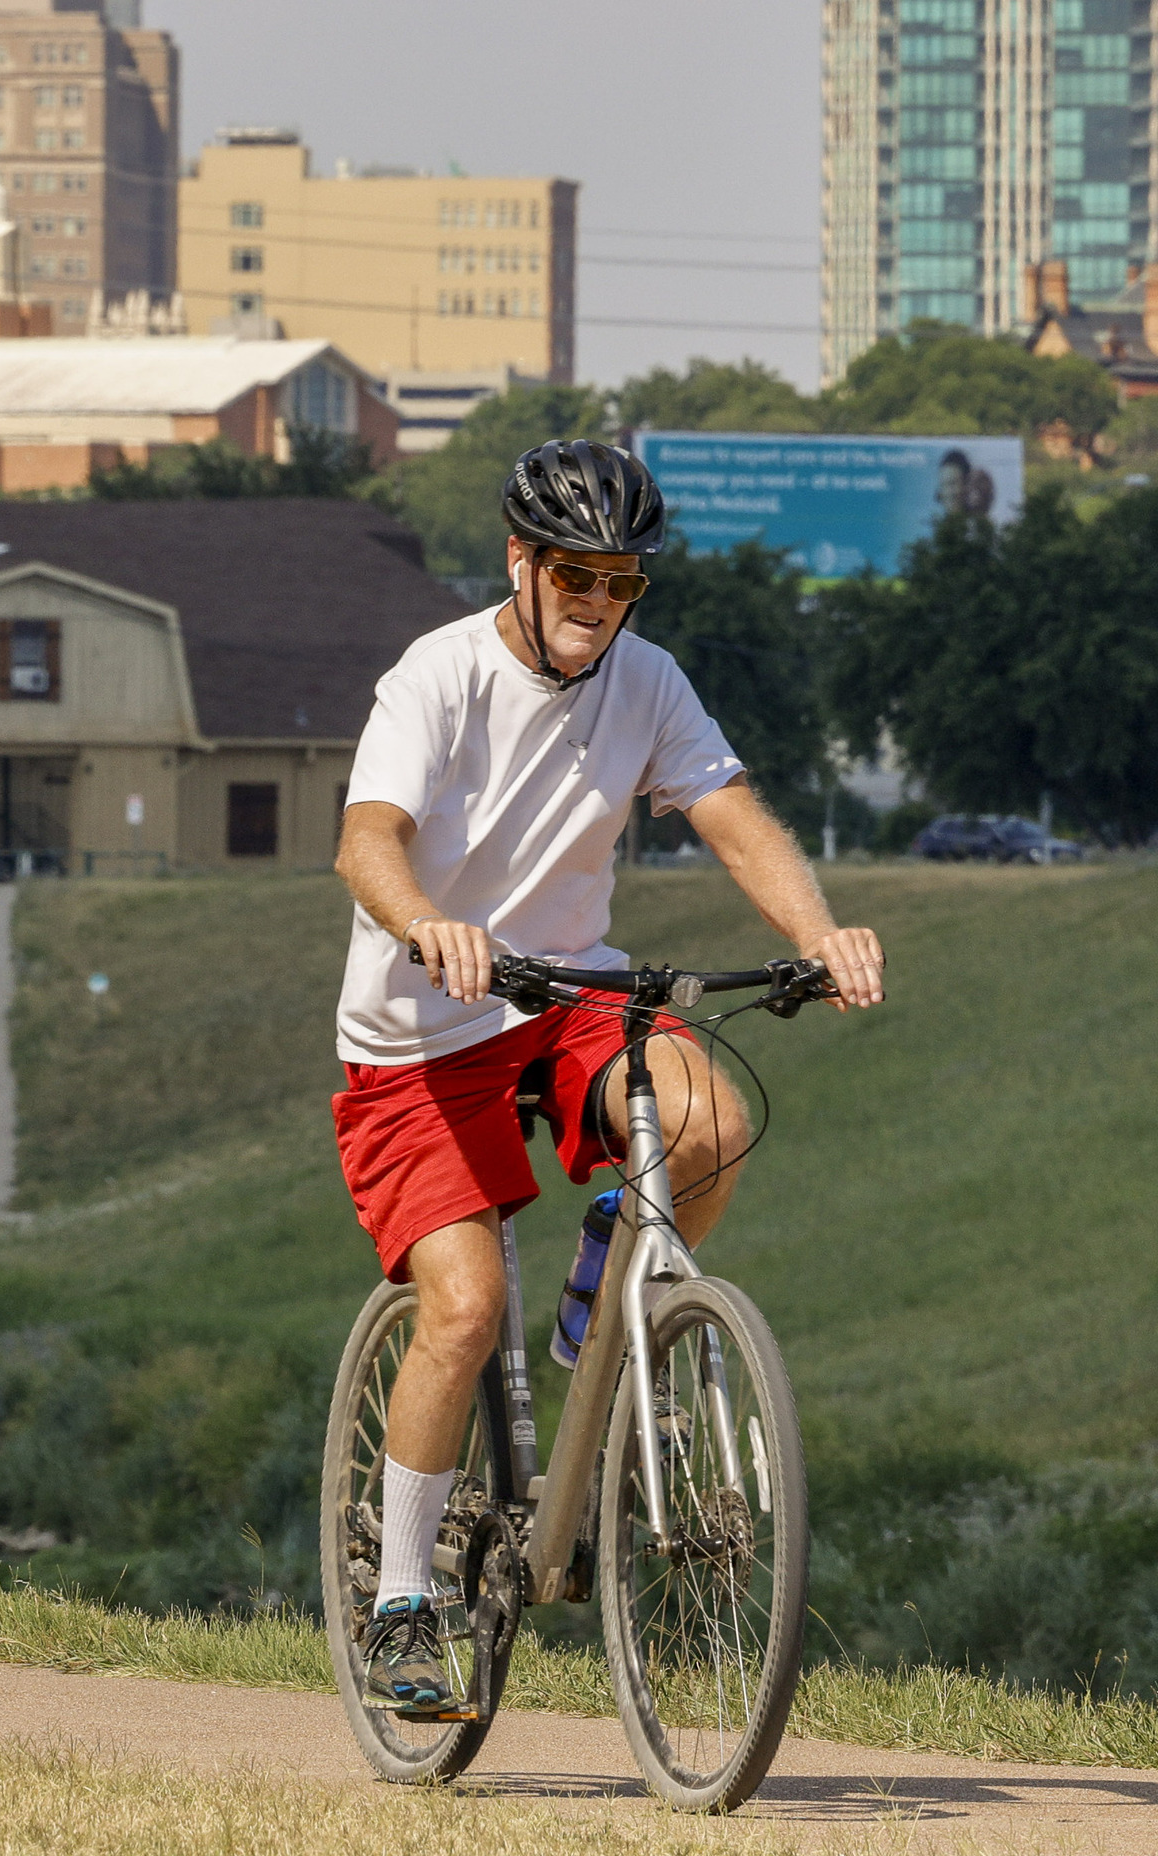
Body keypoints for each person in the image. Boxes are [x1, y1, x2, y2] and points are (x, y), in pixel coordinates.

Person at [327, 437, 884, 1719]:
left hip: (570, 993)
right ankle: (404, 1596)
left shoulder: (647, 678)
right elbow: (368, 837)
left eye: (622, 580)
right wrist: (425, 923)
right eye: (574, 572)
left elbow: (729, 809)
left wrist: (818, 933)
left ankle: (600, 1304)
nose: (596, 600)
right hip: (424, 1023)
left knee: (713, 1124)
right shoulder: (438, 676)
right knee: (461, 1310)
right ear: (520, 562)